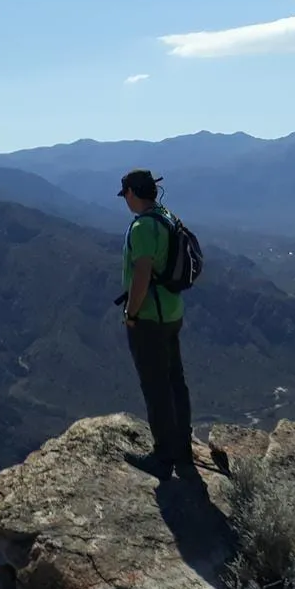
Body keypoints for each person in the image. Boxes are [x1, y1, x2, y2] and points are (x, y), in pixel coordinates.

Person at [117, 168, 195, 480]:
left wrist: (131, 314)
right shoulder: (167, 216)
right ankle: (183, 448)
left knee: (156, 387)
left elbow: (142, 275)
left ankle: (163, 457)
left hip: (151, 318)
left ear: (133, 193)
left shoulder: (142, 228)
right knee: (175, 380)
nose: (126, 201)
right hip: (173, 313)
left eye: (126, 195)